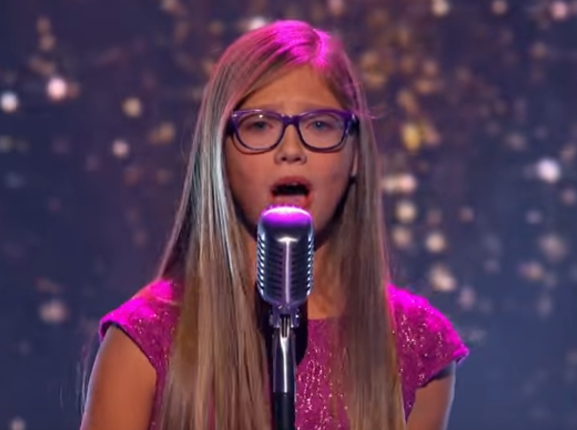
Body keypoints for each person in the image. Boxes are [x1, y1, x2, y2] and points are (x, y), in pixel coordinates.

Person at [79, 19, 469, 430]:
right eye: (260, 125)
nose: (290, 149)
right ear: (219, 154)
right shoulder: (146, 340)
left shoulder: (415, 346)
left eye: (319, 124)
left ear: (355, 154)